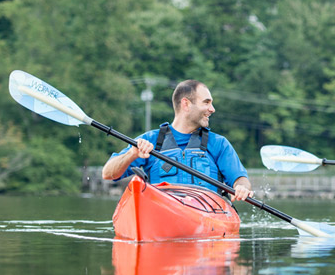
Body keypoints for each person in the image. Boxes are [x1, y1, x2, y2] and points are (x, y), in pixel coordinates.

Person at [102, 79, 253, 202]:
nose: (212, 109)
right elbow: (108, 174)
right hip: (162, 211)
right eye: (206, 102)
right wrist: (132, 154)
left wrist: (242, 188)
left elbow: (240, 179)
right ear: (186, 104)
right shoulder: (149, 140)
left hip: (207, 215)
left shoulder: (219, 144)